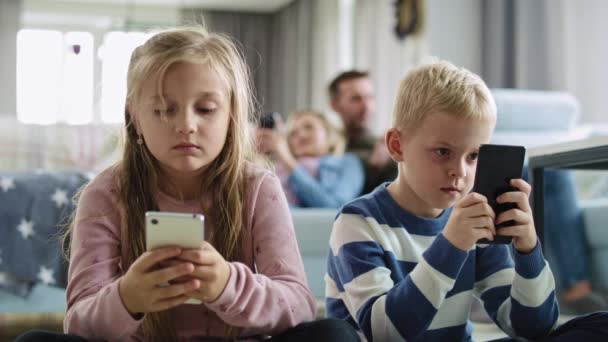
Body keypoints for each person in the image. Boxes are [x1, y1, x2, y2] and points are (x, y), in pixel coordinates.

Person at [16, 27, 358, 342]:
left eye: (206, 109)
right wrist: (128, 298)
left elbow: (298, 306)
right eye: (164, 109)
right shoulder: (105, 193)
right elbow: (77, 323)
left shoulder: (258, 187)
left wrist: (228, 285)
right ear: (134, 117)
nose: (186, 125)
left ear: (231, 116)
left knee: (335, 335)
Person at [325, 60, 608, 341]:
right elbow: (386, 334)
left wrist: (528, 251)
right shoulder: (357, 222)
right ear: (397, 146)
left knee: (598, 325)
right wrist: (451, 246)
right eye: (442, 152)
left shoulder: (474, 220)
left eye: (473, 156)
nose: (460, 172)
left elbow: (533, 329)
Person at [256, 110, 364, 208]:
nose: (301, 135)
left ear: (328, 134)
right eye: (293, 133)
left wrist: (287, 160)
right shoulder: (275, 165)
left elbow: (335, 207)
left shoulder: (348, 162)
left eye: (309, 127)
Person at [328, 70, 398, 194]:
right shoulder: (324, 147)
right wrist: (372, 167)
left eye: (370, 97)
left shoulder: (387, 147)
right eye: (356, 99)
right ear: (335, 105)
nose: (367, 106)